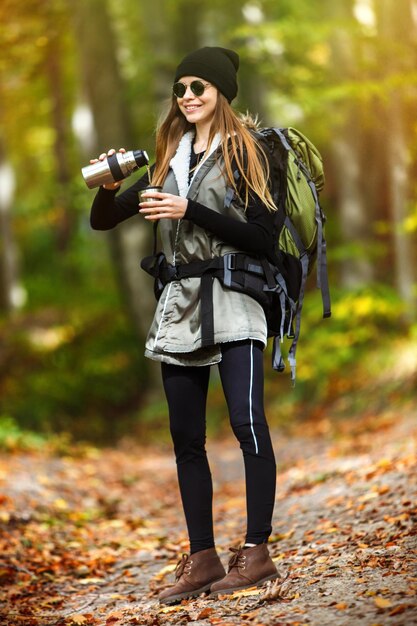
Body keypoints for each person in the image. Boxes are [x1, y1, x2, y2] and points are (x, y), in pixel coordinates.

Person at [90, 46, 279, 604]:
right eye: (181, 89)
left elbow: (263, 239)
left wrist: (187, 211)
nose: (188, 97)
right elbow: (105, 221)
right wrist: (107, 182)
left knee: (248, 425)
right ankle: (203, 558)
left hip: (236, 298)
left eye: (199, 87)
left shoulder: (249, 152)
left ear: (221, 91)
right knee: (185, 438)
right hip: (180, 308)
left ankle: (258, 552)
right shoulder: (167, 155)